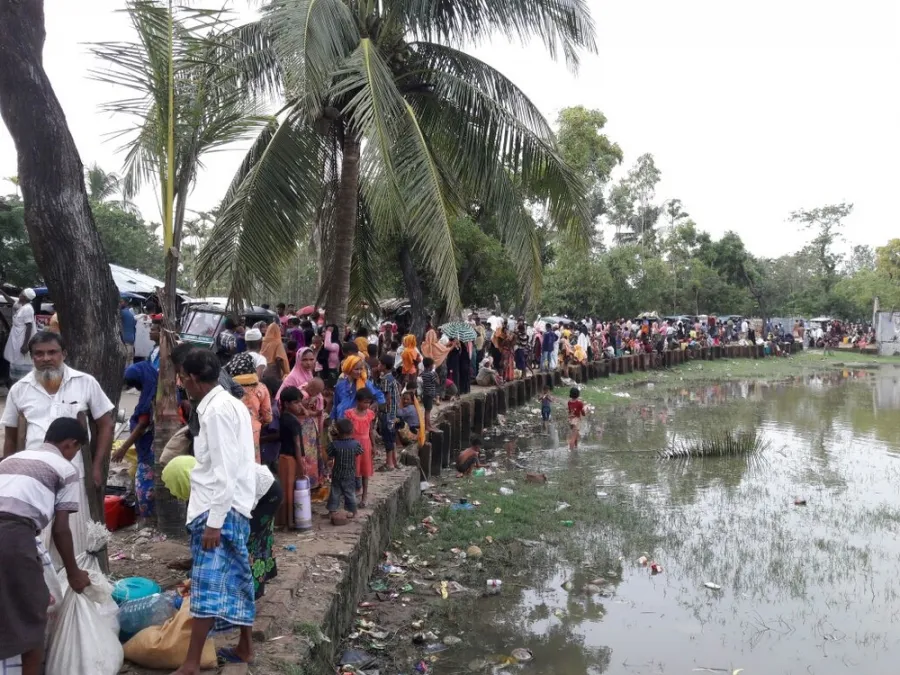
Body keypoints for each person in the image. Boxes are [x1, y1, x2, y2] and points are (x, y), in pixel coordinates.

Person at [174, 349, 257, 674]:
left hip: (216, 508)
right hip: (232, 504)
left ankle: (192, 662)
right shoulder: (230, 404)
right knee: (238, 576)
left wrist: (214, 522)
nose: (182, 385)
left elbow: (224, 469)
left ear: (192, 379)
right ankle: (245, 646)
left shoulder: (216, 411)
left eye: (182, 379)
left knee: (206, 583)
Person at [1, 331, 114, 569]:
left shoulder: (85, 382)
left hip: (75, 475)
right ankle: (46, 598)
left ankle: (75, 594)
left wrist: (96, 467)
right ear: (31, 357)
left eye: (52, 352)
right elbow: (10, 438)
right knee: (38, 544)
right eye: (39, 354)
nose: (46, 358)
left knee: (77, 541)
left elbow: (106, 424)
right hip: (33, 481)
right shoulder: (20, 389)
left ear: (64, 354)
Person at [0, 418, 92, 675]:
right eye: (75, 450)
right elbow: (61, 530)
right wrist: (74, 574)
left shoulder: (11, 460)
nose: (74, 456)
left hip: (14, 535)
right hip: (12, 537)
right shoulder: (65, 469)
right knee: (33, 610)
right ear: (70, 444)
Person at [113, 361, 158, 521]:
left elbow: (142, 424)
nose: (136, 388)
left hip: (149, 448)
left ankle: (148, 520)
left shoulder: (150, 397)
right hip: (146, 447)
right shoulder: (150, 390)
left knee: (144, 485)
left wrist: (123, 448)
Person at [225, 353, 273, 459]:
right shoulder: (261, 388)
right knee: (252, 461)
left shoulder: (226, 387)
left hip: (230, 428)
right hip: (253, 429)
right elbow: (268, 417)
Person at [276, 386, 308, 529]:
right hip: (290, 458)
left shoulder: (284, 417)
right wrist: (300, 464)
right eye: (296, 402)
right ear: (287, 404)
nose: (299, 406)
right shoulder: (292, 421)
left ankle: (286, 521)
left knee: (287, 489)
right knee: (289, 491)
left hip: (284, 457)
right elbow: (296, 443)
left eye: (300, 402)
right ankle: (289, 522)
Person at [345, 388, 377, 508]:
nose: (366, 405)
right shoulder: (349, 414)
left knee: (365, 472)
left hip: (365, 446)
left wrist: (374, 446)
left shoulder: (370, 414)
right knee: (352, 471)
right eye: (364, 402)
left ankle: (364, 497)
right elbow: (346, 431)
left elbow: (371, 431)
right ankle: (351, 496)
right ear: (358, 401)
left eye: (368, 402)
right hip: (352, 445)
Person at [326, 418, 362, 522]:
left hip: (337, 473)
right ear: (352, 431)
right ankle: (353, 511)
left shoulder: (334, 444)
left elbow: (330, 455)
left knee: (335, 492)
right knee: (350, 493)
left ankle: (332, 511)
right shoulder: (355, 444)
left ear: (337, 431)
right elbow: (360, 452)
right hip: (350, 473)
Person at [330, 354, 385, 423]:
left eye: (361, 369)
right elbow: (336, 403)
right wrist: (334, 420)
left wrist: (372, 406)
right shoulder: (340, 385)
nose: (359, 372)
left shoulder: (366, 383)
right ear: (349, 369)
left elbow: (380, 396)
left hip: (358, 421)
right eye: (356, 369)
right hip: (342, 421)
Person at [375, 355, 401, 470]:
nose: (378, 366)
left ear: (384, 366)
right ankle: (394, 461)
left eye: (380, 364)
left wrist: (378, 408)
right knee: (392, 437)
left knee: (387, 439)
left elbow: (386, 398)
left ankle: (389, 463)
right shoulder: (392, 378)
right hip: (394, 412)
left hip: (387, 413)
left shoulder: (385, 379)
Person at [3, 288, 35, 383]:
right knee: (14, 359)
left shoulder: (28, 309)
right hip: (16, 337)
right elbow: (11, 301)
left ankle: (21, 382)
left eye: (21, 294)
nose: (19, 295)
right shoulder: (21, 305)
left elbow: (29, 326)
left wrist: (25, 345)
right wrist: (2, 291)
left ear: (24, 297)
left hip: (22, 340)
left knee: (20, 361)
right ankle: (15, 380)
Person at [421, 357, 438, 432]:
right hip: (430, 394)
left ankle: (429, 425)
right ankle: (427, 426)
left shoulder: (423, 373)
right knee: (428, 411)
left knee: (427, 410)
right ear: (430, 365)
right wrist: (436, 374)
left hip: (425, 394)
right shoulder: (431, 374)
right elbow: (438, 382)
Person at [120, 298, 137, 366]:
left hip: (125, 340)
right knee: (130, 359)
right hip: (131, 339)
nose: (120, 303)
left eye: (121, 301)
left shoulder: (122, 313)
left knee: (126, 361)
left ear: (126, 303)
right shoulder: (131, 313)